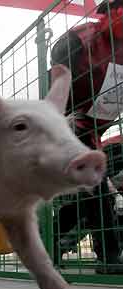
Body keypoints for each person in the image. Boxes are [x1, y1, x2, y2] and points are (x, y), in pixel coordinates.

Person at [51, 0, 123, 274]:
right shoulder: (80, 39)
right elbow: (56, 76)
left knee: (91, 188)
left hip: (96, 130)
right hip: (66, 123)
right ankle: (109, 256)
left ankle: (55, 241)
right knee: (95, 186)